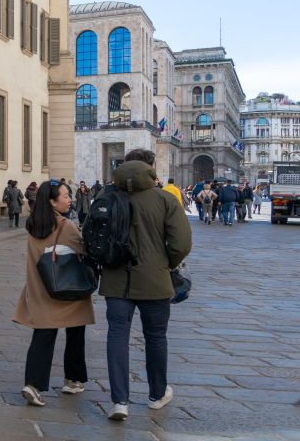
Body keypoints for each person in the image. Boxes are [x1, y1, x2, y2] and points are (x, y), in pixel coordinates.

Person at [102, 149, 192, 422]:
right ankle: (156, 394)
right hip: (155, 279)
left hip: (116, 280)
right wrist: (165, 264)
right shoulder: (165, 199)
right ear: (150, 168)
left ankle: (119, 401)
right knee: (155, 337)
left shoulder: (106, 198)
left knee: (117, 335)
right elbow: (181, 244)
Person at [13, 180, 94, 407]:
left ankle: (33, 384)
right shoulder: (65, 226)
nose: (70, 199)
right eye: (65, 196)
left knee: (43, 336)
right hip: (67, 287)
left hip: (40, 287)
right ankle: (73, 379)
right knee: (76, 329)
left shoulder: (34, 224)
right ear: (52, 201)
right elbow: (84, 250)